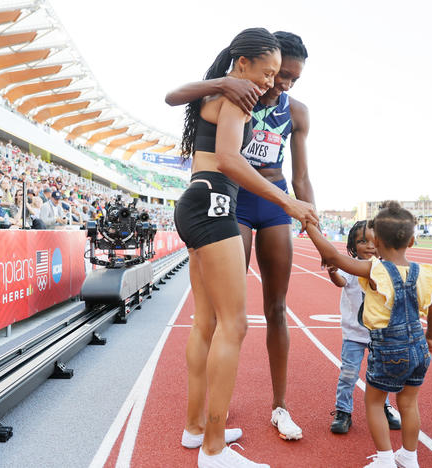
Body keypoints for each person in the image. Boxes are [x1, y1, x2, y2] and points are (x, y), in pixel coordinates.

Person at [170, 28, 317, 468]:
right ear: (243, 64)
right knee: (233, 326)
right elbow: (233, 160)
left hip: (197, 202)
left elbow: (175, 96)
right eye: (269, 72)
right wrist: (286, 200)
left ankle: (196, 429)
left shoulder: (221, 92)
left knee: (206, 323)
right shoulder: (236, 97)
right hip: (216, 207)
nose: (273, 82)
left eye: (281, 75)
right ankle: (214, 450)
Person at [304, 201, 432, 468]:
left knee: (375, 402)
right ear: (412, 240)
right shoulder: (424, 274)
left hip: (389, 347)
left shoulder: (375, 269)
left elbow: (333, 257)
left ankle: (385, 459)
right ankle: (410, 457)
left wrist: (310, 226)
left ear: (375, 241)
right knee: (409, 403)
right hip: (418, 348)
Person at [327, 221, 401, 434]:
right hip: (354, 334)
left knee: (381, 375)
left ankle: (384, 407)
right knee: (349, 373)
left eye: (374, 242)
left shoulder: (385, 269)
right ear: (353, 245)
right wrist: (333, 272)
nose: (369, 246)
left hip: (380, 334)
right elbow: (341, 282)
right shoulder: (352, 266)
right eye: (362, 241)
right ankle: (343, 411)